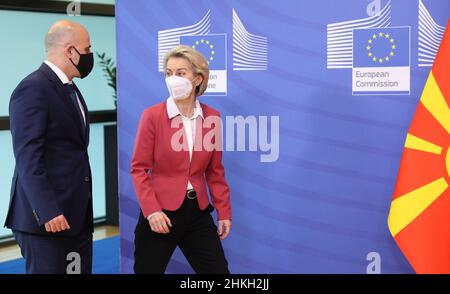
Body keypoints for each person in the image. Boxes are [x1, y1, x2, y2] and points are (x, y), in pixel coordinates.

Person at [131, 45, 232, 274]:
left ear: (197, 79)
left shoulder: (212, 117)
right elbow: (139, 169)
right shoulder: (152, 116)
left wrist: (224, 211)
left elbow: (215, 170)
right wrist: (152, 211)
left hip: (197, 212)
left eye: (180, 73)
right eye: (169, 73)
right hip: (160, 213)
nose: (173, 79)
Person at [4, 20, 95, 274]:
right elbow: (27, 156)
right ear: (70, 51)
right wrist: (47, 211)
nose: (90, 56)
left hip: (76, 217)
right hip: (47, 221)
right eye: (87, 49)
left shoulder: (71, 89)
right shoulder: (33, 88)